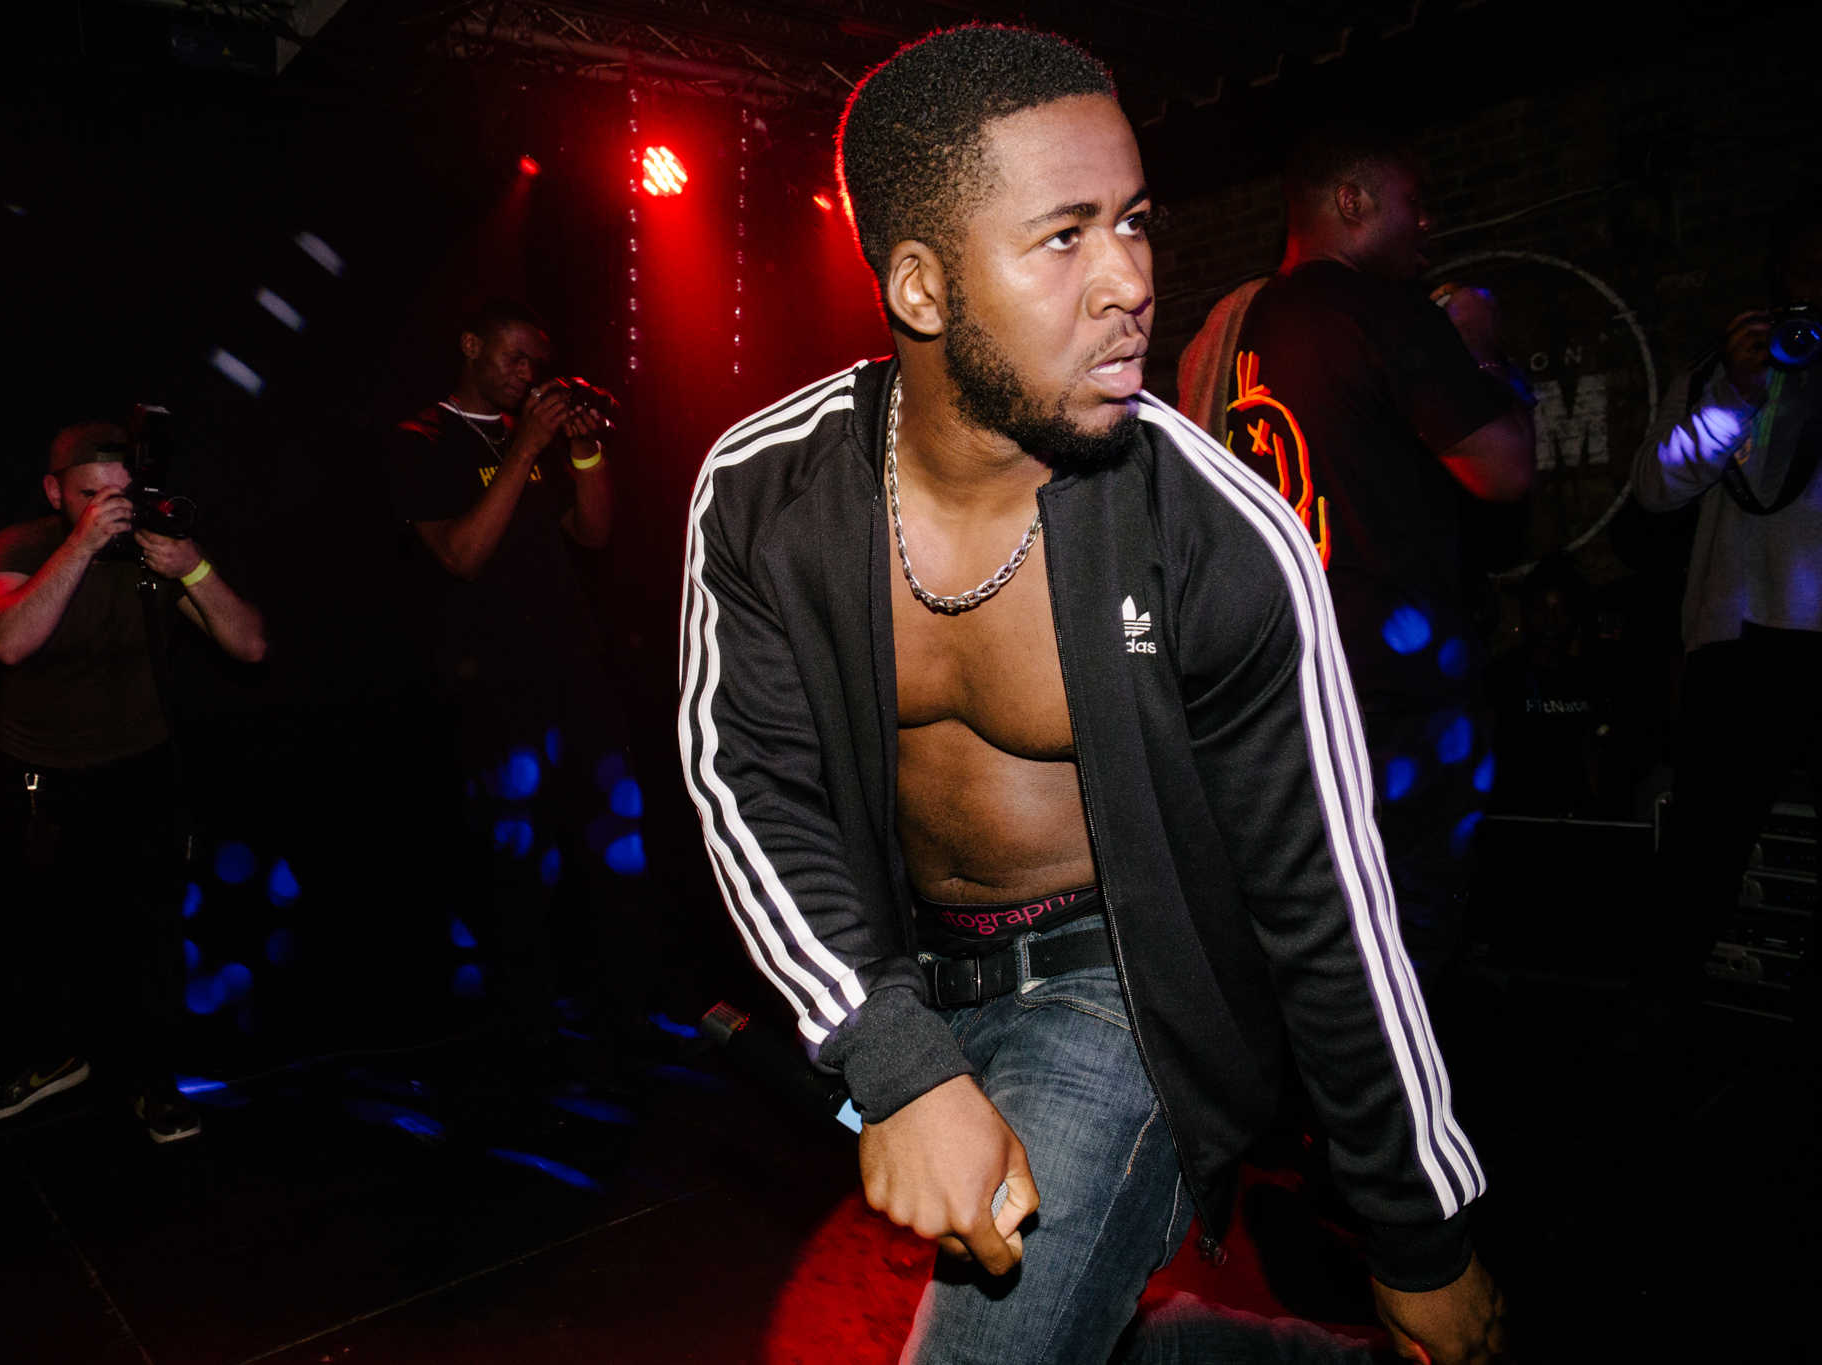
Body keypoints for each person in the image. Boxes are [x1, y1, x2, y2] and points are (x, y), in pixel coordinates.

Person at [679, 26, 1503, 1365]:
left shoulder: (1215, 533)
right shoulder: (769, 492)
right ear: (922, 287)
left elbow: (1327, 904)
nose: (1130, 280)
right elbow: (748, 782)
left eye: (1132, 221)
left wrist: (1419, 1235)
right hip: (905, 966)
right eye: (1064, 237)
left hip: (1119, 989)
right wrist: (892, 1051)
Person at [1222, 121, 1536, 990]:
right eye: (1414, 201)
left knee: (1322, 929)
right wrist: (1481, 349)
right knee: (1413, 924)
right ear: (1352, 201)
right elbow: (1505, 469)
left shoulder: (1248, 321)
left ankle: (1333, 1074)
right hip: (1401, 678)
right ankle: (1403, 1075)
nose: (1428, 222)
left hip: (1293, 680)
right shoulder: (1391, 310)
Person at [0, 420, 266, 1142]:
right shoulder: (21, 545)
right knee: (39, 936)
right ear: (54, 491)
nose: (110, 508)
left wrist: (193, 567)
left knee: (149, 938)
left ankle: (155, 1080)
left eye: (121, 494)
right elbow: (8, 640)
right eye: (90, 494)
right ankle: (53, 1059)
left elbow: (250, 645)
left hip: (137, 770)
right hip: (40, 779)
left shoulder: (154, 550)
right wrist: (81, 544)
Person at [386, 298, 656, 1023]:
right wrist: (527, 449)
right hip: (493, 681)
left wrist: (584, 449)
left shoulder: (522, 435)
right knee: (520, 860)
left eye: (535, 361)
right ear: (470, 345)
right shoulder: (422, 439)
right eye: (513, 356)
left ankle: (636, 1013)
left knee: (619, 846)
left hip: (574, 664)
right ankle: (529, 1029)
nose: (526, 372)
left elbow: (593, 533)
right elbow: (462, 555)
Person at [1621, 193, 1822, 1035]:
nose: (1817, 288)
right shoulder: (1723, 368)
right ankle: (1660, 1001)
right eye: (1805, 271)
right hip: (1740, 639)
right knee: (1704, 843)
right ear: (1777, 277)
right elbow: (1655, 487)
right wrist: (1736, 394)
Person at [1481, 554, 1611, 818]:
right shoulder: (1503, 674)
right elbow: (1483, 745)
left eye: (1561, 610)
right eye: (1540, 610)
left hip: (1573, 816)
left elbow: (1587, 747)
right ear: (1525, 615)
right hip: (1517, 816)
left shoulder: (1583, 675)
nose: (1551, 621)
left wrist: (1597, 812)